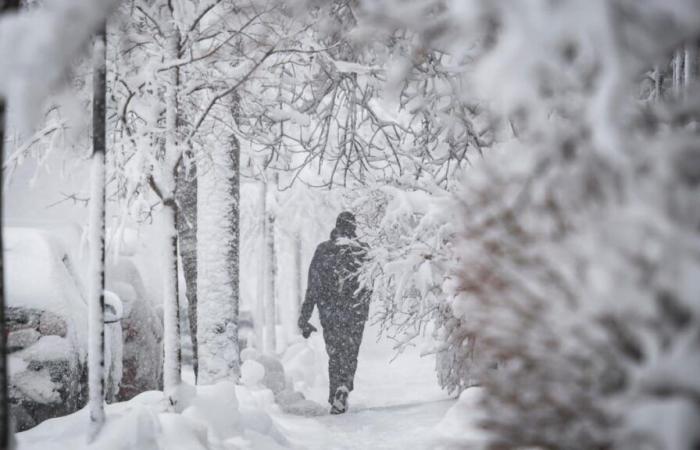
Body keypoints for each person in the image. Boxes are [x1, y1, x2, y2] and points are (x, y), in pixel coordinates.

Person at [298, 211, 371, 414]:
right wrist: (363, 307)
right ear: (353, 227)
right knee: (350, 354)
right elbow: (370, 284)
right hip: (355, 313)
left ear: (336, 227)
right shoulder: (362, 251)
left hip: (330, 313)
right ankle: (344, 386)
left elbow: (313, 286)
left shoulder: (323, 250)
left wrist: (304, 317)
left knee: (335, 355)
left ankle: (335, 394)